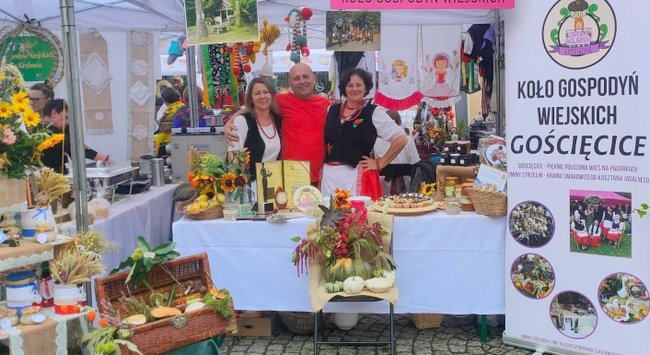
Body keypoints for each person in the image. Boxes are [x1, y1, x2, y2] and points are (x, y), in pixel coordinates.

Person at [226, 63, 330, 185]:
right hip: (288, 176)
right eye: (296, 78)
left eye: (305, 76)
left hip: (318, 176)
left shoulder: (326, 105)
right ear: (290, 83)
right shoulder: (281, 100)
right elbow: (256, 105)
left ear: (314, 78)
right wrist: (230, 121)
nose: (302, 81)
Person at [321, 68, 407, 198]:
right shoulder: (331, 110)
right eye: (350, 85)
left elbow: (401, 139)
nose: (354, 89)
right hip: (329, 176)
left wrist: (380, 163)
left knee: (357, 216)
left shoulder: (374, 112)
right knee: (329, 216)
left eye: (359, 85)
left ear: (366, 88)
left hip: (356, 175)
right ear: (344, 88)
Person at [228, 77, 282, 182]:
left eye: (266, 92)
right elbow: (233, 158)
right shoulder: (242, 121)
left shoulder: (278, 119)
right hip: (249, 185)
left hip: (273, 183)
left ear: (271, 95)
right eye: (257, 93)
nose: (262, 96)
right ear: (251, 98)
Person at [40, 99, 110, 174]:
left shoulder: (62, 128)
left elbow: (75, 151)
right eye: (65, 117)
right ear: (54, 113)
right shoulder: (43, 131)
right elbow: (73, 146)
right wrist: (103, 158)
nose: (66, 122)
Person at [374, 110, 419, 194]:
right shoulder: (409, 139)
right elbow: (415, 161)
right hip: (404, 180)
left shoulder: (375, 141)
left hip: (383, 181)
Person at [154, 87, 184, 157]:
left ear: (165, 101)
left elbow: (165, 132)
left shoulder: (168, 114)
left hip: (171, 143)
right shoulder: (183, 107)